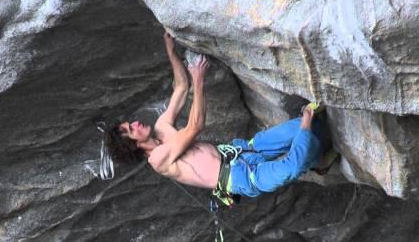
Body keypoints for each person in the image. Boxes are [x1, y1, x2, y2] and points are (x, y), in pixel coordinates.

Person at [104, 31, 337, 206]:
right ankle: (308, 132)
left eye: (130, 123)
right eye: (131, 129)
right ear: (134, 143)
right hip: (241, 178)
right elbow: (195, 127)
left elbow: (181, 87)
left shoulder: (161, 127)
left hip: (243, 151)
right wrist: (199, 79)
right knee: (292, 163)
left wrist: (171, 53)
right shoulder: (158, 159)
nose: (135, 123)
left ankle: (318, 161)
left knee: (300, 130)